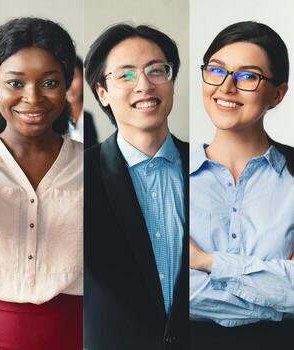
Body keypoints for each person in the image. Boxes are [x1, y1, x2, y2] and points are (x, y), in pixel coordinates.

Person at [0, 17, 83, 350]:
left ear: (66, 86)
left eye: (49, 83)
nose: (32, 97)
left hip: (75, 332)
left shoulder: (91, 164)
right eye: (16, 83)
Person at [187, 20, 294, 348]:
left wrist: (206, 262)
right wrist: (275, 285)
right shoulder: (167, 175)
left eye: (248, 76)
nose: (226, 87)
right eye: (217, 70)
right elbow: (167, 291)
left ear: (277, 94)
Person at [81, 23, 188, 349]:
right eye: (125, 75)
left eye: (157, 70)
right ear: (102, 92)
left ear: (171, 82)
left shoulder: (211, 166)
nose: (143, 84)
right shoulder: (76, 176)